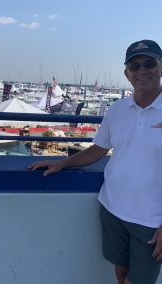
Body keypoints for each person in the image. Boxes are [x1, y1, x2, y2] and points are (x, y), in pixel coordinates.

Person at [29, 39, 162, 284]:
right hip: (112, 208)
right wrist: (62, 163)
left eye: (149, 63)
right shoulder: (117, 110)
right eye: (134, 66)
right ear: (127, 74)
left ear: (160, 67)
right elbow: (99, 149)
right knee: (120, 272)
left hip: (151, 219)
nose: (142, 70)